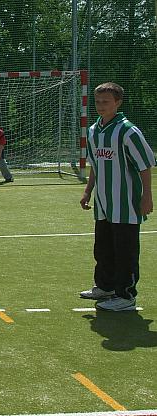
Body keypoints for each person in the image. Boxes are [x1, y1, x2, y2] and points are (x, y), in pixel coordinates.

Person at [79, 82, 155, 311]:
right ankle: (106, 286)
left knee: (125, 250)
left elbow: (145, 165)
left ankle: (126, 295)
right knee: (102, 248)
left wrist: (147, 196)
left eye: (106, 102)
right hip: (103, 203)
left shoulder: (127, 130)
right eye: (98, 102)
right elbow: (95, 164)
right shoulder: (93, 130)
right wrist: (88, 190)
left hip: (126, 203)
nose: (101, 106)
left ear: (118, 103)